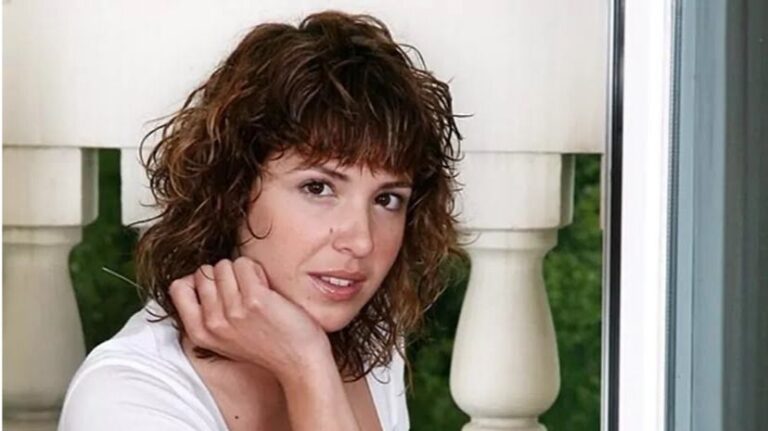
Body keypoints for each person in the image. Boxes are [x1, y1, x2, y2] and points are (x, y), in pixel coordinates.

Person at [59, 10, 465, 431]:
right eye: (318, 188)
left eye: (386, 199)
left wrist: (309, 366)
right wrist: (307, 368)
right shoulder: (128, 401)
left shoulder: (370, 341)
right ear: (234, 189)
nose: (362, 241)